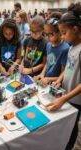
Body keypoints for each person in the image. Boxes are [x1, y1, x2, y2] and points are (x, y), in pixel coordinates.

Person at [45, 3, 81, 150]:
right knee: (66, 127)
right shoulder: (72, 46)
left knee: (72, 130)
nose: (63, 37)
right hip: (67, 95)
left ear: (75, 29)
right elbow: (68, 67)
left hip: (77, 100)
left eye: (64, 32)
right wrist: (59, 80)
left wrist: (64, 98)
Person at [35, 12, 70, 86]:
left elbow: (64, 74)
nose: (47, 37)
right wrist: (42, 74)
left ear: (59, 33)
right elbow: (48, 63)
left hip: (55, 83)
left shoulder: (65, 48)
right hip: (46, 80)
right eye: (45, 34)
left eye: (51, 34)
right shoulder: (48, 45)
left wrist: (49, 79)